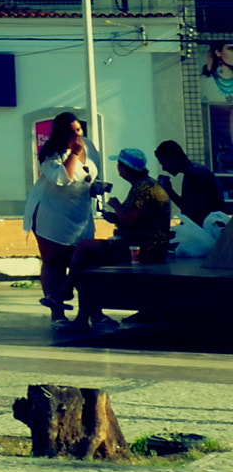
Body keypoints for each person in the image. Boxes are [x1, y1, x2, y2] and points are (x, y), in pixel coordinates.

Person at [73, 148, 174, 334]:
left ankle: (67, 289)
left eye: (119, 165)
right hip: (149, 245)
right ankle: (89, 314)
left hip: (143, 247)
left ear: (124, 169)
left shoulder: (142, 188)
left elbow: (130, 220)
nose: (118, 169)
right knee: (90, 263)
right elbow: (136, 218)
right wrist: (114, 217)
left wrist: (117, 207)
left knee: (83, 246)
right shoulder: (146, 185)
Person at [23, 109, 102, 325]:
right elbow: (63, 178)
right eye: (72, 132)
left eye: (79, 129)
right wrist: (74, 154)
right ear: (60, 134)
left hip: (79, 213)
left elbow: (90, 173)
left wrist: (94, 187)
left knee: (87, 262)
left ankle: (95, 313)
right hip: (52, 214)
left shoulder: (89, 145)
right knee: (55, 262)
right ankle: (57, 314)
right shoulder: (51, 154)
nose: (77, 136)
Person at [155, 139, 226, 227]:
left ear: (173, 158)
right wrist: (169, 190)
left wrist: (169, 191)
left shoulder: (197, 174)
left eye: (164, 163)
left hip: (207, 232)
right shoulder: (191, 172)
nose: (164, 168)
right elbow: (188, 208)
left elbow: (193, 214)